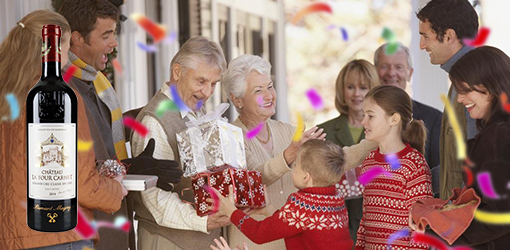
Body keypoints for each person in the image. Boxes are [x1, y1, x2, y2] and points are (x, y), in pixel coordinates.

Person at [58, 0, 182, 249]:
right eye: (106, 35)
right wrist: (128, 167)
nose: (114, 43)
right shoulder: (63, 92)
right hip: (88, 232)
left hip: (114, 221)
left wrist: (154, 111)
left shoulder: (96, 83)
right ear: (77, 39)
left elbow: (102, 133)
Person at [0, 10, 127, 250]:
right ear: (54, 48)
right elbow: (79, 183)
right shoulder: (61, 96)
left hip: (10, 236)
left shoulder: (6, 96)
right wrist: (116, 188)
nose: (69, 55)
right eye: (67, 47)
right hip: (60, 235)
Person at [130, 36, 230, 250]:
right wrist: (203, 221)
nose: (208, 92)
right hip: (168, 241)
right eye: (201, 81)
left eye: (213, 84)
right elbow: (155, 198)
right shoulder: (154, 120)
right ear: (177, 72)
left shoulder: (194, 111)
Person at [221, 55, 329, 249]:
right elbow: (246, 183)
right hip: (251, 243)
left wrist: (372, 144)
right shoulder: (228, 137)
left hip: (292, 242)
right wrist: (287, 156)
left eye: (270, 86)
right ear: (237, 100)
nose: (269, 95)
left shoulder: (288, 131)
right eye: (258, 90)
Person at [412, 46, 510, 249]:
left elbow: (499, 215)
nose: (460, 98)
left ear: (490, 87)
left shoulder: (497, 135)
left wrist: (438, 234)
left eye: (465, 90)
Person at [209, 139, 353, 250]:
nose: (292, 168)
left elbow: (260, 234)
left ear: (306, 177)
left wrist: (231, 211)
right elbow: (297, 225)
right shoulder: (335, 200)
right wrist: (269, 210)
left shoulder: (302, 205)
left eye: (295, 165)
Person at [355, 85, 433, 249]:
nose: (363, 121)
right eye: (364, 115)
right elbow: (366, 219)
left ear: (394, 119)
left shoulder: (414, 164)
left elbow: (421, 227)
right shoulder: (369, 162)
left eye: (370, 116)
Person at [417, 0, 479, 200]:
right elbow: (454, 164)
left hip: (471, 219)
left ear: (449, 36)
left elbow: (477, 160)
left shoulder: (475, 81)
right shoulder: (461, 79)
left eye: (426, 36)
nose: (422, 45)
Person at [317, 59, 380, 245]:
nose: (357, 94)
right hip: (335, 227)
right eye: (350, 87)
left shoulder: (386, 132)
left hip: (376, 225)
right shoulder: (323, 132)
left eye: (363, 88)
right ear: (341, 91)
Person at [374, 42, 442, 196]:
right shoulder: (363, 116)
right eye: (385, 66)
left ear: (410, 73)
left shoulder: (434, 118)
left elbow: (437, 173)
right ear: (375, 71)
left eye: (399, 67)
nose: (391, 73)